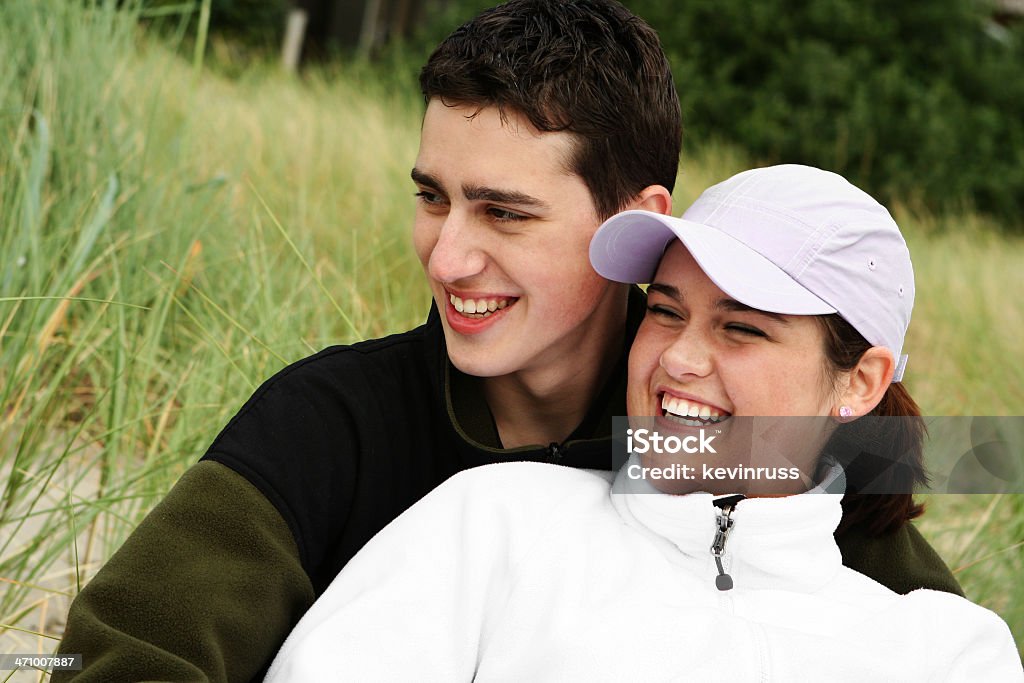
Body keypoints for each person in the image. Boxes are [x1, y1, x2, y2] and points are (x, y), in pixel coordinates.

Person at [54, 3, 962, 681]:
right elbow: (125, 654)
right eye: (432, 196)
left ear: (634, 220)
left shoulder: (739, 441)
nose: (447, 256)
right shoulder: (332, 420)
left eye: (504, 212)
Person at [264, 165, 1022, 681]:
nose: (679, 359)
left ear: (859, 382)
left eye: (741, 328)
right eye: (664, 311)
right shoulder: (495, 522)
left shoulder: (944, 654)